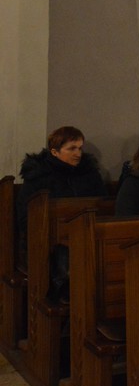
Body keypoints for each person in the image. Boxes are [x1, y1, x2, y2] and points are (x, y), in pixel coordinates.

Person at [16, 126, 107, 301]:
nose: (78, 154)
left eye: (80, 148)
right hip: (47, 241)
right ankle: (65, 293)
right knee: (64, 253)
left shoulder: (89, 174)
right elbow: (25, 216)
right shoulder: (38, 176)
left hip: (85, 235)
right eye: (72, 148)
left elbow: (103, 206)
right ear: (55, 152)